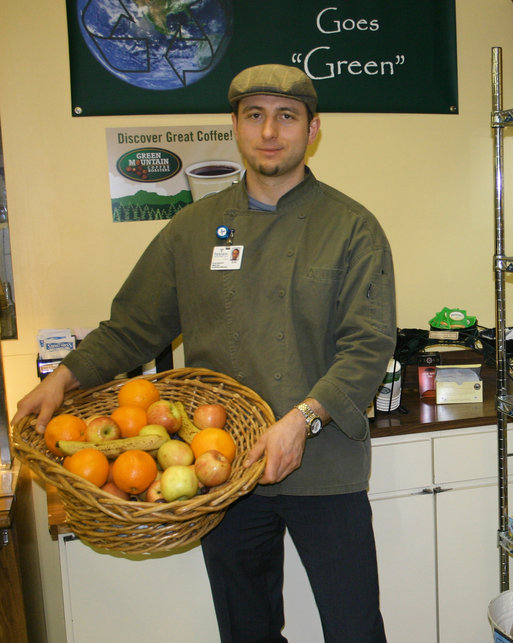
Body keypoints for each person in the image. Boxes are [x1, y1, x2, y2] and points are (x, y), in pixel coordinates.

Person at [13, 64, 396, 642]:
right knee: (247, 632)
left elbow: (368, 345)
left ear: (312, 130)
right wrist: (62, 378)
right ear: (236, 127)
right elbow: (132, 326)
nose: (270, 131)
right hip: (222, 468)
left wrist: (302, 420)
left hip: (324, 469)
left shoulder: (352, 228)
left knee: (354, 630)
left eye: (286, 117)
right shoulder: (193, 229)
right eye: (254, 116)